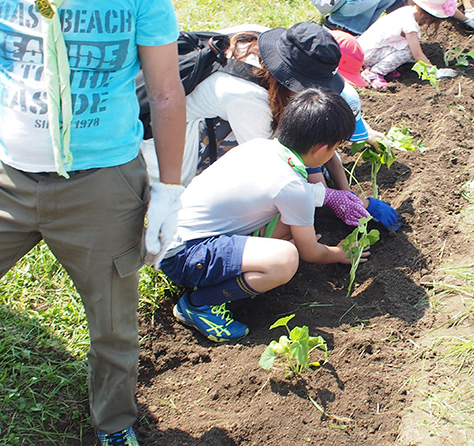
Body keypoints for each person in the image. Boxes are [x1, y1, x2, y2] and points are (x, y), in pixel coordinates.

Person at [0, 0, 186, 444]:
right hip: (6, 180)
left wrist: (169, 191)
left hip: (102, 186)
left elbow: (166, 92)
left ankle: (114, 425)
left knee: (113, 324)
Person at [158, 88, 373, 342]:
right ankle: (199, 305)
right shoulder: (291, 187)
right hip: (185, 254)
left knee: (288, 226)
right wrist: (339, 254)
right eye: (336, 147)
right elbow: (310, 253)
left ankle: (221, 275)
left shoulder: (261, 147)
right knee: (285, 259)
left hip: (171, 237)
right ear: (321, 149)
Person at [140, 22, 400, 231]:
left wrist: (341, 183)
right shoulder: (249, 99)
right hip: (172, 151)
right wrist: (326, 197)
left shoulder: (265, 41)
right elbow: (273, 168)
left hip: (207, 120)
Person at [357, 0, 460, 88]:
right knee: (408, 51)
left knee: (406, 46)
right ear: (429, 15)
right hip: (367, 56)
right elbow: (417, 54)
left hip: (364, 49)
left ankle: (385, 66)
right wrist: (435, 72)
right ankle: (374, 72)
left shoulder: (406, 10)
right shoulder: (410, 24)